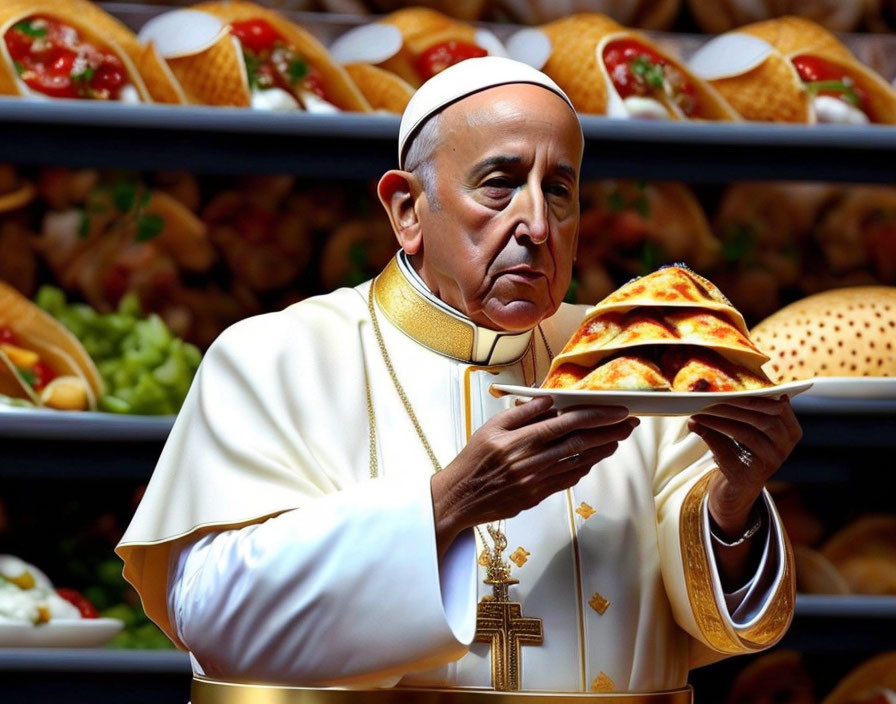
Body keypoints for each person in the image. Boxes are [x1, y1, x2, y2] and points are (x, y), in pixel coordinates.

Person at [117, 57, 802, 702]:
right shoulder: (274, 357)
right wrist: (445, 505)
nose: (536, 224)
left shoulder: (639, 360)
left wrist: (734, 506)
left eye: (558, 189)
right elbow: (213, 616)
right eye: (500, 183)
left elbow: (716, 619)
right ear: (407, 210)